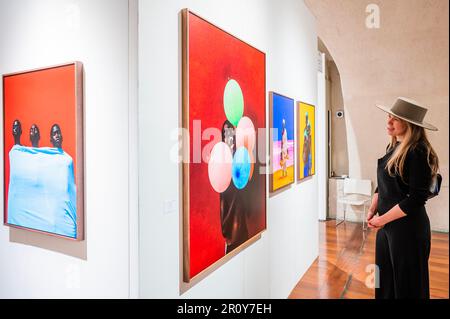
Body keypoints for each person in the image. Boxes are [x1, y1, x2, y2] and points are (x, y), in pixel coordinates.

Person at [367, 97, 439, 299]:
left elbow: (416, 198)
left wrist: (381, 219)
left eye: (394, 119)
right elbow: (384, 184)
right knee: (385, 281)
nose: (388, 122)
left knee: (407, 286)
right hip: (388, 228)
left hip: (408, 230)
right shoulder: (393, 147)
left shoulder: (417, 152)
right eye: (389, 117)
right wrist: (373, 208)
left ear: (409, 125)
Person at [219, 120, 249, 253]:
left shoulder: (235, 127)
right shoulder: (228, 126)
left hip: (236, 183)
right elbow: (229, 152)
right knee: (233, 220)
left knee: (239, 220)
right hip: (230, 183)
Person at [302, 112, 312, 177]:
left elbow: (307, 142)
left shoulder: (308, 134)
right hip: (306, 149)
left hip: (308, 150)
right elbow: (305, 142)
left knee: (308, 162)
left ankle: (309, 172)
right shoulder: (305, 130)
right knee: (306, 163)